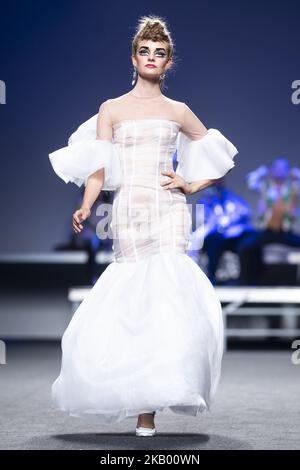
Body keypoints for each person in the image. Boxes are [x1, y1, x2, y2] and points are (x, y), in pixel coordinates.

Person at [48, 15, 238, 437]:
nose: (152, 58)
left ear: (168, 62)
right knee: (133, 296)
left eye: (161, 53)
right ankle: (136, 392)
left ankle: (149, 409)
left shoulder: (178, 110)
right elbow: (99, 167)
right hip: (130, 209)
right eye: (145, 51)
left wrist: (189, 184)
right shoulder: (111, 109)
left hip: (168, 209)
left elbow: (217, 156)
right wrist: (85, 206)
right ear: (134, 58)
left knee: (166, 293)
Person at [238, 158, 300, 285]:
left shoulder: (292, 187)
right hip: (266, 230)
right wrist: (261, 172)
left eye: (283, 168)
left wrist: (298, 174)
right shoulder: (265, 186)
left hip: (285, 231)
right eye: (277, 168)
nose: (280, 171)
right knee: (245, 247)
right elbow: (249, 181)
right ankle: (248, 281)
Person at [187, 177, 254, 285]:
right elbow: (202, 222)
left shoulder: (232, 199)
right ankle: (209, 278)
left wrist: (231, 225)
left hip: (233, 237)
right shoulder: (205, 202)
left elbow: (245, 212)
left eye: (219, 180)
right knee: (213, 243)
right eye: (214, 181)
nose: (217, 183)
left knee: (248, 243)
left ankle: (245, 280)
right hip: (213, 238)